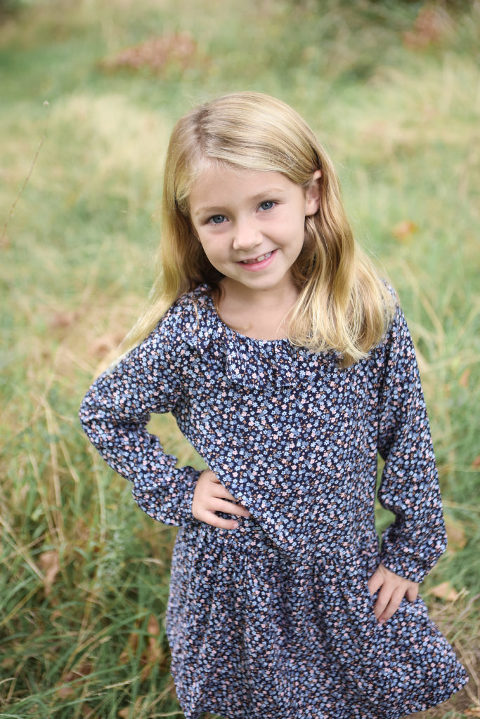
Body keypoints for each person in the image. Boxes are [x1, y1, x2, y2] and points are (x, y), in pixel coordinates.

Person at [79, 91, 468, 719]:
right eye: (217, 218)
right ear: (190, 225)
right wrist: (180, 490)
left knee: (354, 698)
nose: (247, 237)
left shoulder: (359, 308)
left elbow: (405, 431)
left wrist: (408, 549)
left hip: (339, 565)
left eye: (266, 205)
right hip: (236, 582)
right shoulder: (193, 334)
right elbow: (105, 412)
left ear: (311, 194)